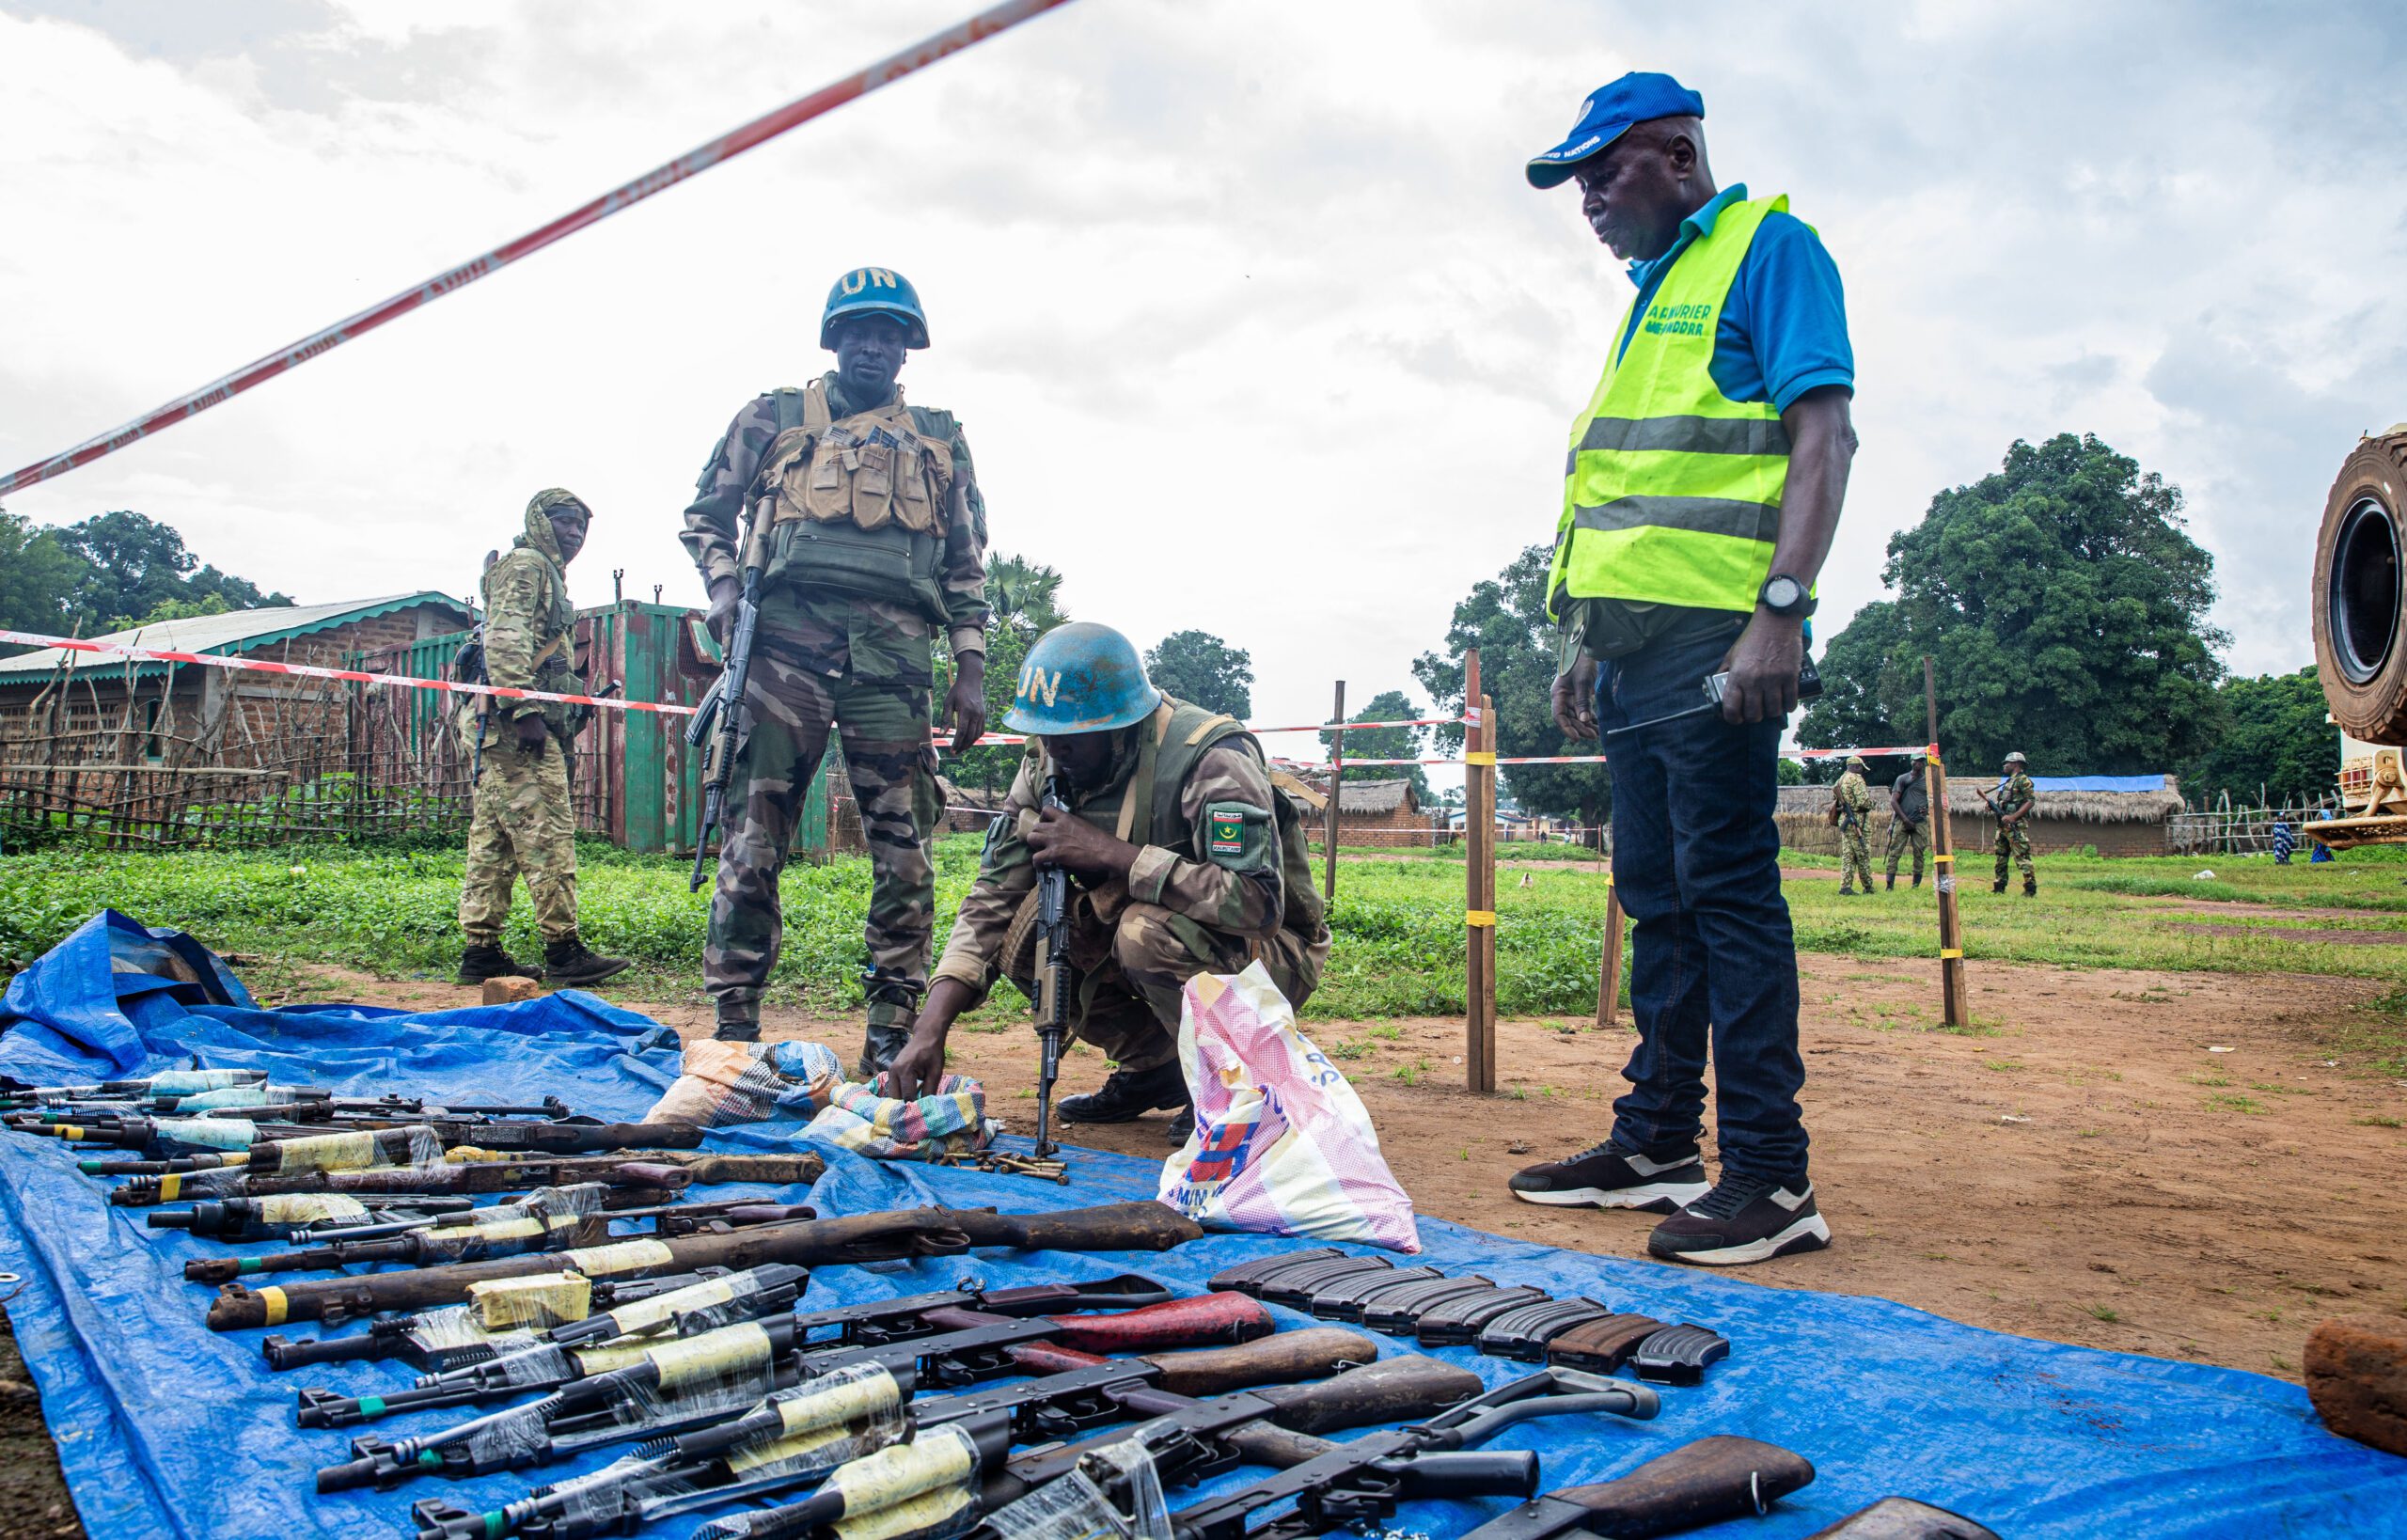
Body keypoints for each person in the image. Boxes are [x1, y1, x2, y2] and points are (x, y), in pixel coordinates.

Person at [1510, 71, 1855, 1266]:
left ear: (1675, 153)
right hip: (1632, 654)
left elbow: (1825, 435)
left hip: (1719, 638)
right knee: (1657, 902)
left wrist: (1781, 612)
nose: (1590, 200)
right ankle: (1656, 1139)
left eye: (1603, 171)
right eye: (1579, 182)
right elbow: (1629, 488)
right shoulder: (1657, 291)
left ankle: (1771, 1177)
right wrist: (1580, 642)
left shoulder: (1770, 247)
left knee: (1727, 899)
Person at [679, 267, 991, 1067]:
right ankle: (736, 1031)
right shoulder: (774, 417)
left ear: (907, 348)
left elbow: (963, 563)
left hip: (894, 665)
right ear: (834, 337)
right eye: (858, 329)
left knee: (904, 849)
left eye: (889, 332)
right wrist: (721, 590)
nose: (873, 344)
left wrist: (970, 666)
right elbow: (706, 516)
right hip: (783, 651)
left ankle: (893, 1035)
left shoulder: (940, 439)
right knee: (754, 843)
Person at [883, 622, 1331, 1144]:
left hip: (1270, 953)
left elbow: (1259, 903)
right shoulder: (1045, 762)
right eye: (1044, 733)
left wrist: (1114, 856)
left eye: (1069, 739)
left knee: (1145, 932)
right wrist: (930, 1028)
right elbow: (991, 901)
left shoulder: (1209, 756)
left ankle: (1230, 1085)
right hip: (1163, 931)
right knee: (1028, 930)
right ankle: (1156, 1068)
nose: (1052, 749)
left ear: (1121, 726)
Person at [456, 489, 631, 990]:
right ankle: (564, 950)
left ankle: (481, 954)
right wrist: (525, 708)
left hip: (500, 726)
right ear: (538, 521)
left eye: (581, 526)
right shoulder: (528, 565)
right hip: (514, 726)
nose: (573, 533)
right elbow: (506, 638)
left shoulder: (540, 572)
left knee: (494, 841)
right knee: (547, 832)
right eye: (564, 521)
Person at [1987, 750, 2037, 896]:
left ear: (2015, 764)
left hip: (2016, 826)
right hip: (2002, 826)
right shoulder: (2009, 782)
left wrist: (2014, 817)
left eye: (2007, 763)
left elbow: (2030, 801)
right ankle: (1999, 887)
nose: (2004, 766)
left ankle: (2030, 889)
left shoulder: (2023, 780)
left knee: (2022, 858)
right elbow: (2005, 801)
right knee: (2000, 857)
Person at [1831, 755, 1874, 895]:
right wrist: (1872, 804)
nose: (1862, 771)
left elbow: (1835, 798)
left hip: (1845, 818)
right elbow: (1863, 802)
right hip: (1857, 820)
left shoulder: (1841, 779)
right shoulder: (1856, 779)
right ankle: (1868, 886)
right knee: (1862, 852)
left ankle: (1845, 886)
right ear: (1856, 766)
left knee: (1848, 854)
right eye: (1861, 767)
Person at [1885, 758, 1930, 889]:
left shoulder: (1927, 781)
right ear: (1912, 762)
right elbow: (1894, 801)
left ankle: (1915, 886)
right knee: (1895, 852)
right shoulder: (1902, 779)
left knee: (1919, 853)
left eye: (1922, 761)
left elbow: (1933, 799)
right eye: (1917, 761)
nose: (1920, 763)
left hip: (1920, 822)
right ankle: (1889, 885)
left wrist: (1927, 809)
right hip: (1902, 820)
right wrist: (1905, 820)